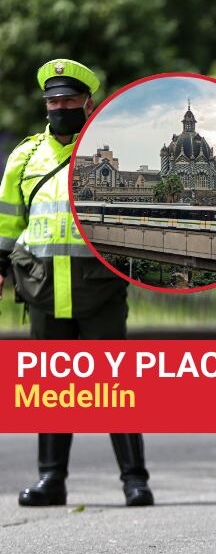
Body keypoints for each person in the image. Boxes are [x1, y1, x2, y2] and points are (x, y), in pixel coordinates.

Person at [0, 59, 154, 507]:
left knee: (114, 385)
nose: (60, 107)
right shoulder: (26, 156)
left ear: (89, 103)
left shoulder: (106, 157)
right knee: (52, 388)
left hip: (99, 287)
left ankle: (134, 480)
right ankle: (52, 480)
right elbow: (9, 219)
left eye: (68, 100)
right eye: (53, 101)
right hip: (41, 287)